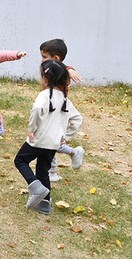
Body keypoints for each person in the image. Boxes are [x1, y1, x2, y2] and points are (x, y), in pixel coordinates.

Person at [13, 60, 83, 215]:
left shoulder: (44, 95)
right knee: (43, 170)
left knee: (20, 160)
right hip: (53, 144)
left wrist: (32, 129)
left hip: (38, 140)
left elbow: (37, 109)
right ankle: (45, 205)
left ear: (46, 79)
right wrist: (65, 136)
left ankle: (35, 187)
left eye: (39, 75)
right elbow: (78, 119)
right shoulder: (65, 99)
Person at [39, 39, 84, 182]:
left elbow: (64, 69)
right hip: (50, 108)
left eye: (44, 57)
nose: (41, 60)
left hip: (58, 110)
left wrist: (69, 69)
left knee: (50, 141)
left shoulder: (59, 72)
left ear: (56, 58)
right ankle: (53, 170)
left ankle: (72, 153)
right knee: (47, 140)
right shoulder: (52, 69)